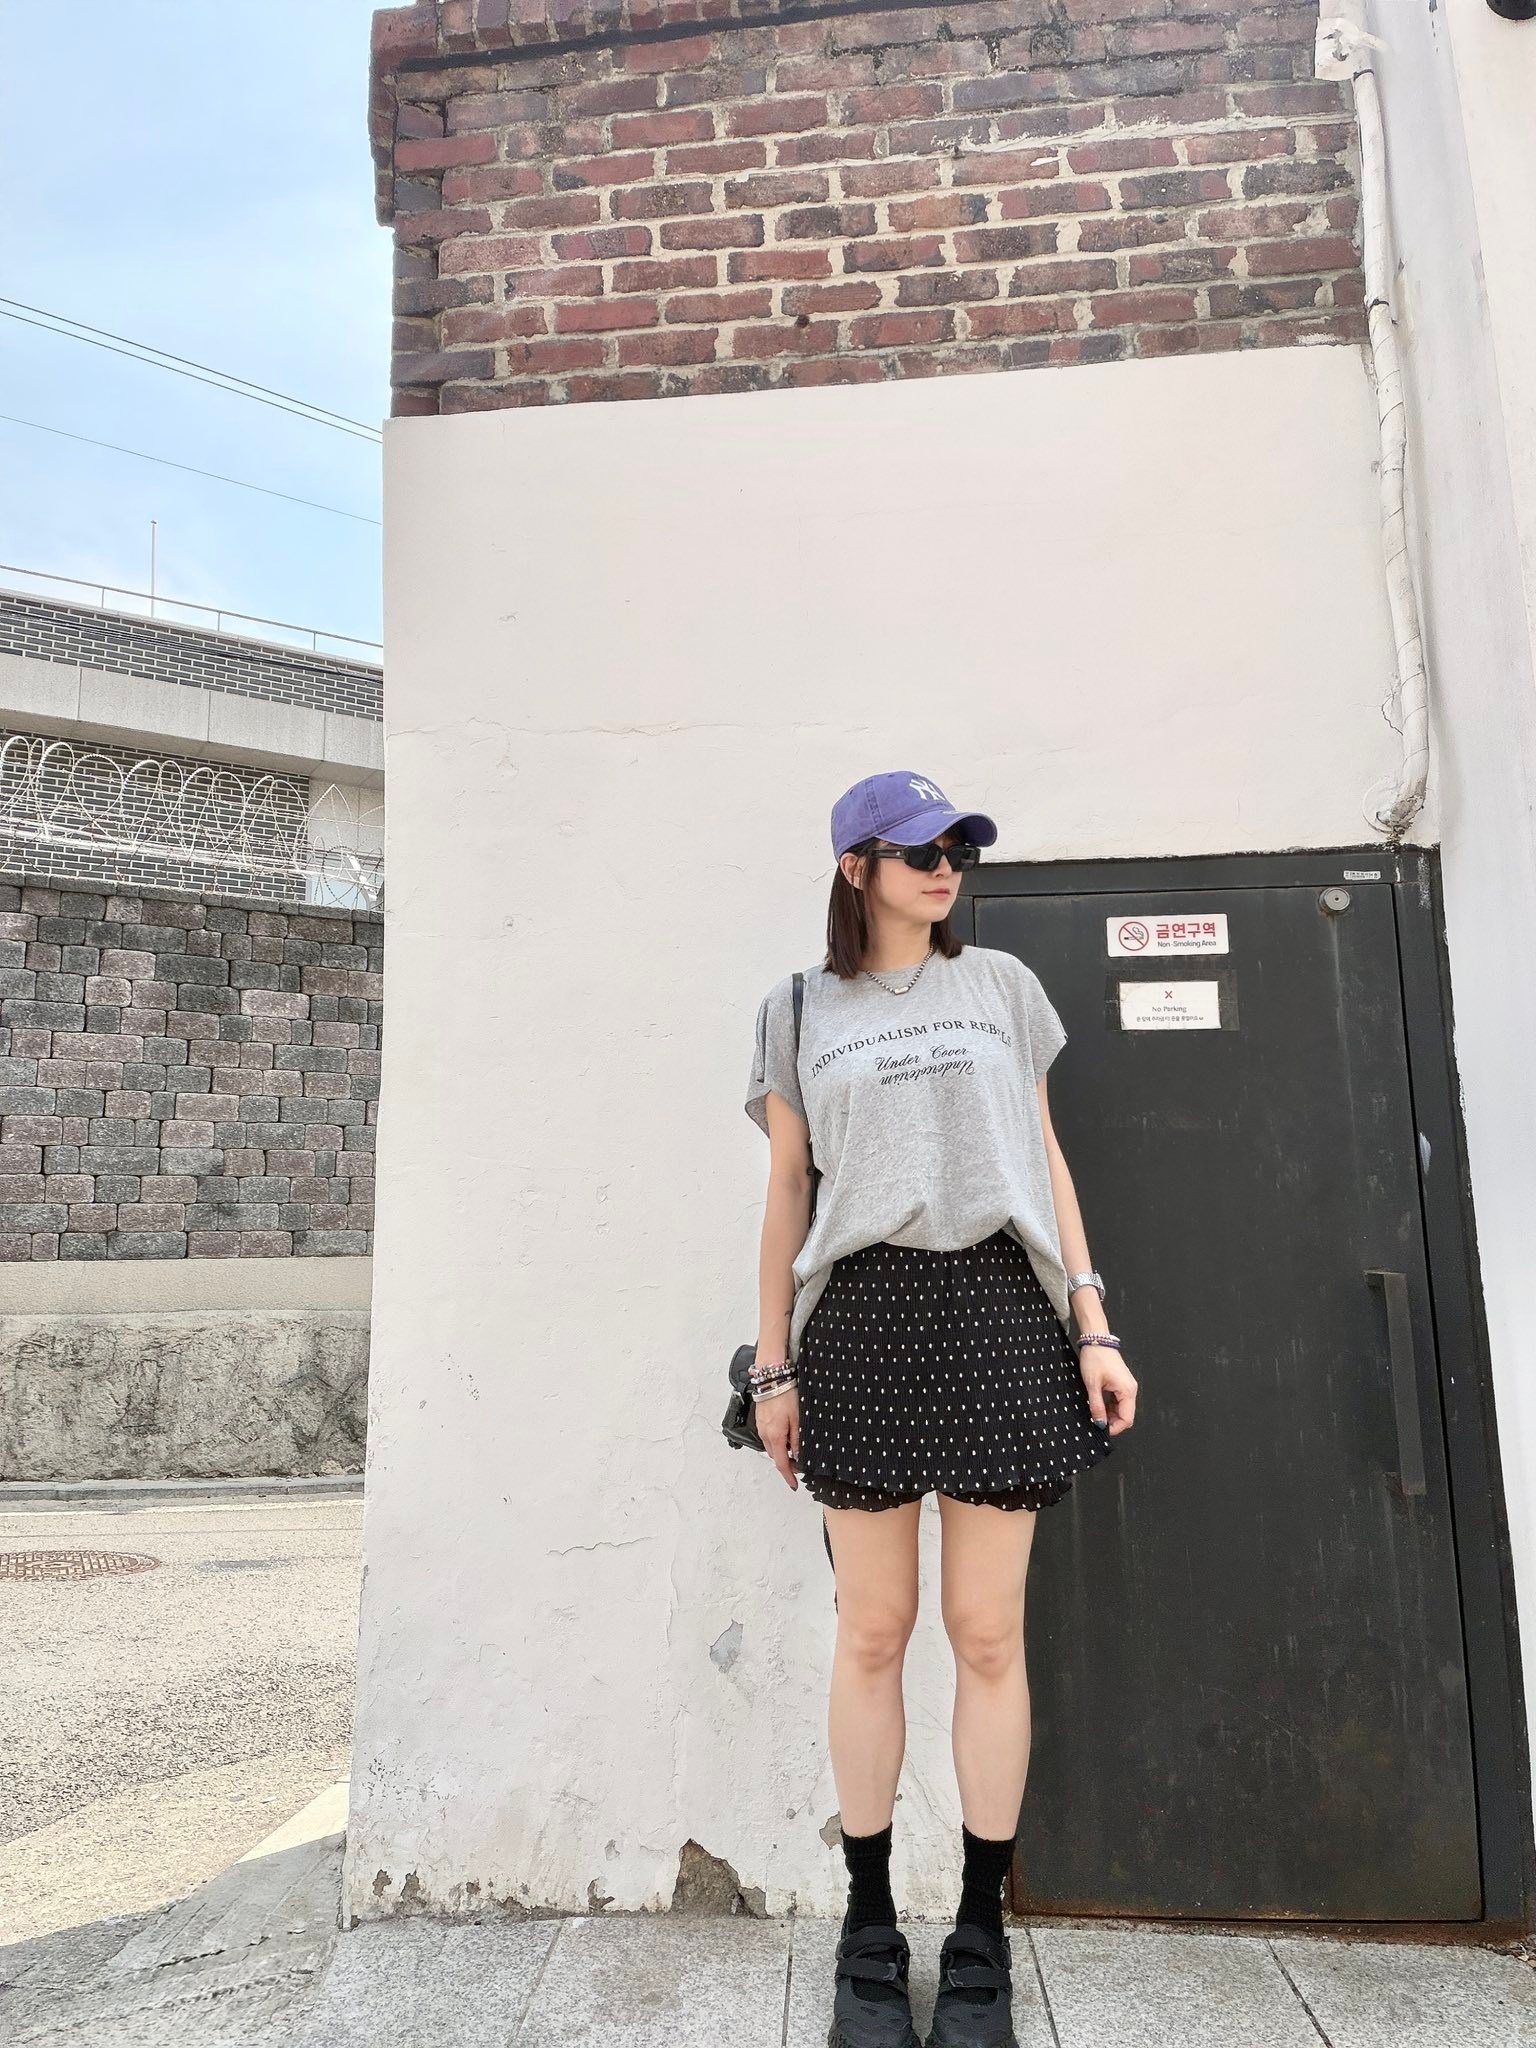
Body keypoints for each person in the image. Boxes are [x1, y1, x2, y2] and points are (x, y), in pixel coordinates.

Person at [743, 769, 1138, 2048]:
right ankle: (869, 1929)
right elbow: (788, 1192)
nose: (945, 866)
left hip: (1000, 1313)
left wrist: (1091, 1320)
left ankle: (979, 1934)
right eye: (919, 848)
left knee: (986, 1633)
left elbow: (1044, 1156)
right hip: (861, 1319)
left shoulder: (1003, 986)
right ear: (854, 865)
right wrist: (772, 1365)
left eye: (958, 846)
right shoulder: (798, 1007)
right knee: (873, 1630)